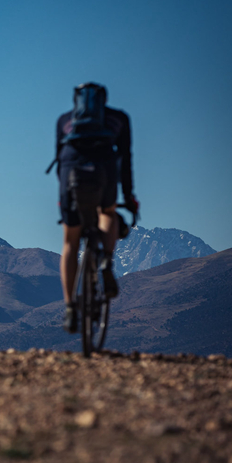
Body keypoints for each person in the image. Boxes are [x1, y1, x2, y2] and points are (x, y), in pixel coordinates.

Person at [54, 82, 138, 333]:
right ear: (103, 100)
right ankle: (106, 262)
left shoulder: (64, 120)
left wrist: (64, 197)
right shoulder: (119, 119)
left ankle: (70, 308)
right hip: (104, 166)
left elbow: (59, 160)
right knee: (107, 211)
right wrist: (129, 195)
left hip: (71, 171)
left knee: (70, 241)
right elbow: (125, 158)